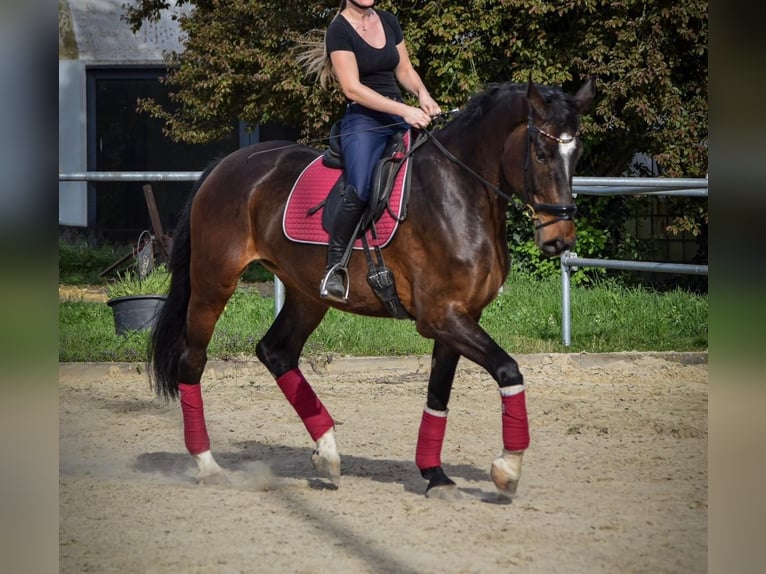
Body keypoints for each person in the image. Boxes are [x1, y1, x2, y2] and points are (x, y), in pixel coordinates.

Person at [303, 0, 441, 303]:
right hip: (364, 119)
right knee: (362, 186)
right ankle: (335, 266)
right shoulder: (338, 30)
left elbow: (403, 68)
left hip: (399, 114)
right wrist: (403, 109)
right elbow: (351, 88)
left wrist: (422, 94)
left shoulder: (389, 20)